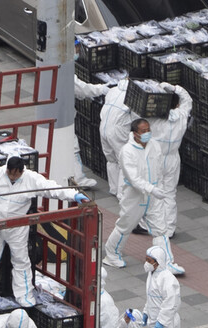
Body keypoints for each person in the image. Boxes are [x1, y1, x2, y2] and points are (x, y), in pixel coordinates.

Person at [0, 157, 89, 306]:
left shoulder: (31, 179)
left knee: (20, 262)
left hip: (17, 228)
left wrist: (73, 195)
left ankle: (24, 297)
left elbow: (50, 188)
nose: (12, 177)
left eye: (15, 175)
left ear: (21, 171)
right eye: (9, 173)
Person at [102, 120, 184, 275]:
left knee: (160, 229)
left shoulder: (154, 145)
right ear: (135, 133)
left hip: (153, 196)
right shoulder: (127, 151)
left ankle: (166, 262)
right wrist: (152, 189)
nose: (147, 133)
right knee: (125, 225)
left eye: (148, 129)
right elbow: (133, 179)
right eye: (143, 130)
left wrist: (157, 187)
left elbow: (159, 167)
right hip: (135, 196)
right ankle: (112, 254)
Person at [149, 82, 193, 257]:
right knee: (169, 193)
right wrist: (175, 88)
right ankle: (170, 228)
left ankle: (157, 226)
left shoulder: (155, 119)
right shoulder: (182, 115)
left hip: (157, 158)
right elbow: (187, 99)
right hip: (173, 157)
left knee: (156, 192)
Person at [74, 40, 109, 188]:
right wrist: (102, 89)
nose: (77, 51)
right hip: (60, 118)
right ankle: (77, 179)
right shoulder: (63, 70)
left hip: (58, 115)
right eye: (75, 48)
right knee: (72, 148)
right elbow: (82, 89)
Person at [98, 78, 135, 196]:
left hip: (103, 125)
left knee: (111, 159)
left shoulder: (113, 90)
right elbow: (135, 116)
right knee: (123, 161)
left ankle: (114, 188)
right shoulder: (133, 95)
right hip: (118, 130)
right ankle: (122, 193)